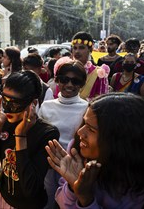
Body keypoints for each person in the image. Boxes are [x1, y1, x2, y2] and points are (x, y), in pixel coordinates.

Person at [46, 92, 144, 208]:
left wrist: (85, 197)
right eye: (84, 123)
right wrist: (72, 188)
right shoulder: (77, 152)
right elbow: (62, 202)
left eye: (91, 129)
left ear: (120, 142)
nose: (80, 132)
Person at [0, 70, 59, 209]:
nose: (8, 109)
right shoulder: (4, 123)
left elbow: (30, 188)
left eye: (15, 104)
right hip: (4, 199)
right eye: (5, 101)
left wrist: (20, 137)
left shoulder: (48, 133)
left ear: (33, 103)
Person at [39, 60, 88, 209]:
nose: (69, 85)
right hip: (47, 165)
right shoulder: (46, 106)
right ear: (57, 80)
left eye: (76, 81)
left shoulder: (87, 108)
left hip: (74, 166)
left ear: (82, 83)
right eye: (64, 79)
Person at [71, 31, 110, 100]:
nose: (77, 51)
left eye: (81, 48)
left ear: (90, 50)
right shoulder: (65, 69)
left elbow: (102, 103)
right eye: (75, 48)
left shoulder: (99, 74)